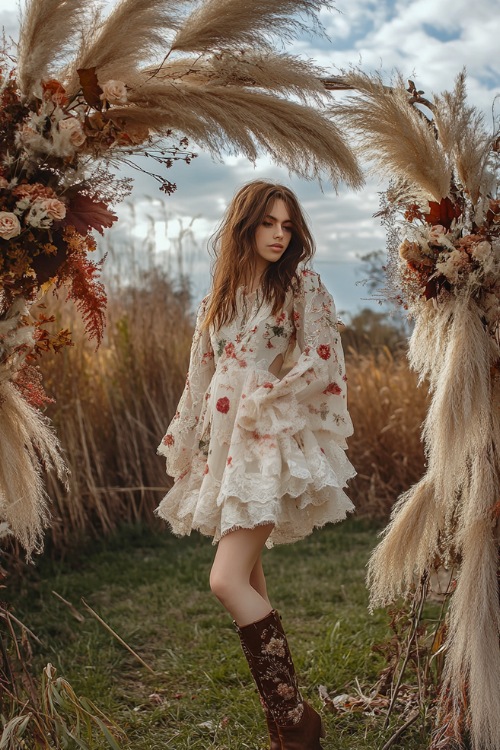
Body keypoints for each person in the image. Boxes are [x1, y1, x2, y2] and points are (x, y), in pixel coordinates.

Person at [156, 180, 355, 750]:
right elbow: (199, 376)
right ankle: (284, 722)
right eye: (268, 223)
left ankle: (296, 723)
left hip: (267, 437)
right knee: (247, 582)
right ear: (245, 226)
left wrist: (271, 393)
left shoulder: (300, 286)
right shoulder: (216, 298)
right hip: (223, 444)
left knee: (224, 581)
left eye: (287, 225)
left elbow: (322, 360)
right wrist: (186, 441)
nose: (278, 235)